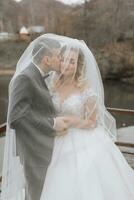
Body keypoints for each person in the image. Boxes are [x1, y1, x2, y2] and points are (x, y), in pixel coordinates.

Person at [39, 34, 134, 200]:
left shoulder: (85, 89)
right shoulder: (51, 84)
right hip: (56, 138)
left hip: (82, 138)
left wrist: (75, 121)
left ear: (78, 65)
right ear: (58, 59)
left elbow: (92, 122)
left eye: (72, 61)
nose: (67, 64)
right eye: (64, 59)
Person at [1, 35, 69, 200]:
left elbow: (37, 108)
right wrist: (52, 123)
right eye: (58, 55)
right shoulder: (25, 78)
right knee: (36, 195)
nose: (61, 58)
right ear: (46, 59)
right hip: (34, 152)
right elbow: (16, 117)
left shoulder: (37, 75)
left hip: (42, 149)